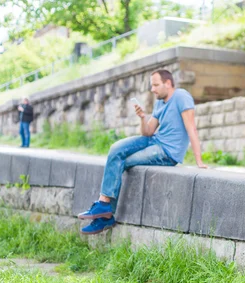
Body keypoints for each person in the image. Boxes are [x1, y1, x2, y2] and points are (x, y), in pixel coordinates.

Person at [78, 69, 208, 235]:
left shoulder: (182, 96)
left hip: (167, 151)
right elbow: (148, 131)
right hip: (154, 140)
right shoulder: (160, 102)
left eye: (155, 85)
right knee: (116, 149)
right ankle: (104, 204)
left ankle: (105, 216)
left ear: (168, 83)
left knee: (124, 161)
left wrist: (199, 161)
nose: (152, 89)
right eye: (151, 85)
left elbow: (191, 128)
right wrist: (142, 118)